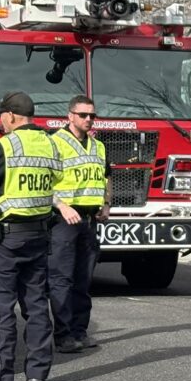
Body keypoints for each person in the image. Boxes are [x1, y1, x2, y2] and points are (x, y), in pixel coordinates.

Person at [0, 91, 61, 381]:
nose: (0, 121)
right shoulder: (50, 143)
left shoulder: (5, 146)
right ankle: (37, 375)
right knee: (36, 306)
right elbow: (52, 179)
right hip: (39, 234)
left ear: (10, 116)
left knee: (0, 309)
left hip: (5, 239)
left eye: (1, 116)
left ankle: (0, 379)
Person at [49, 95, 111, 353]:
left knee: (83, 280)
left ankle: (79, 331)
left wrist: (107, 204)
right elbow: (44, 183)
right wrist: (61, 206)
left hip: (89, 220)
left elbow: (107, 176)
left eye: (92, 115)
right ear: (70, 116)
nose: (89, 119)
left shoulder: (98, 146)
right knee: (61, 279)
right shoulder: (53, 144)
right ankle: (63, 336)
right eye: (83, 115)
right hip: (63, 220)